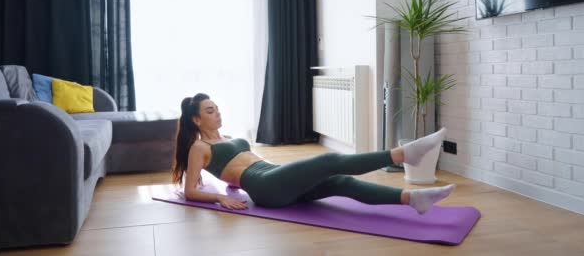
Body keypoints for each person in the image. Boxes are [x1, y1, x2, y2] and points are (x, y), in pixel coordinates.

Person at [172, 93, 456, 214]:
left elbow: (231, 172)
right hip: (265, 188)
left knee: (342, 183)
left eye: (217, 108)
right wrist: (221, 196)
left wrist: (230, 182)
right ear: (196, 120)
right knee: (330, 160)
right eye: (210, 111)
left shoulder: (231, 137)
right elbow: (190, 191)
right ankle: (404, 155)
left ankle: (413, 199)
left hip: (273, 176)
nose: (217, 113)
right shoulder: (199, 148)